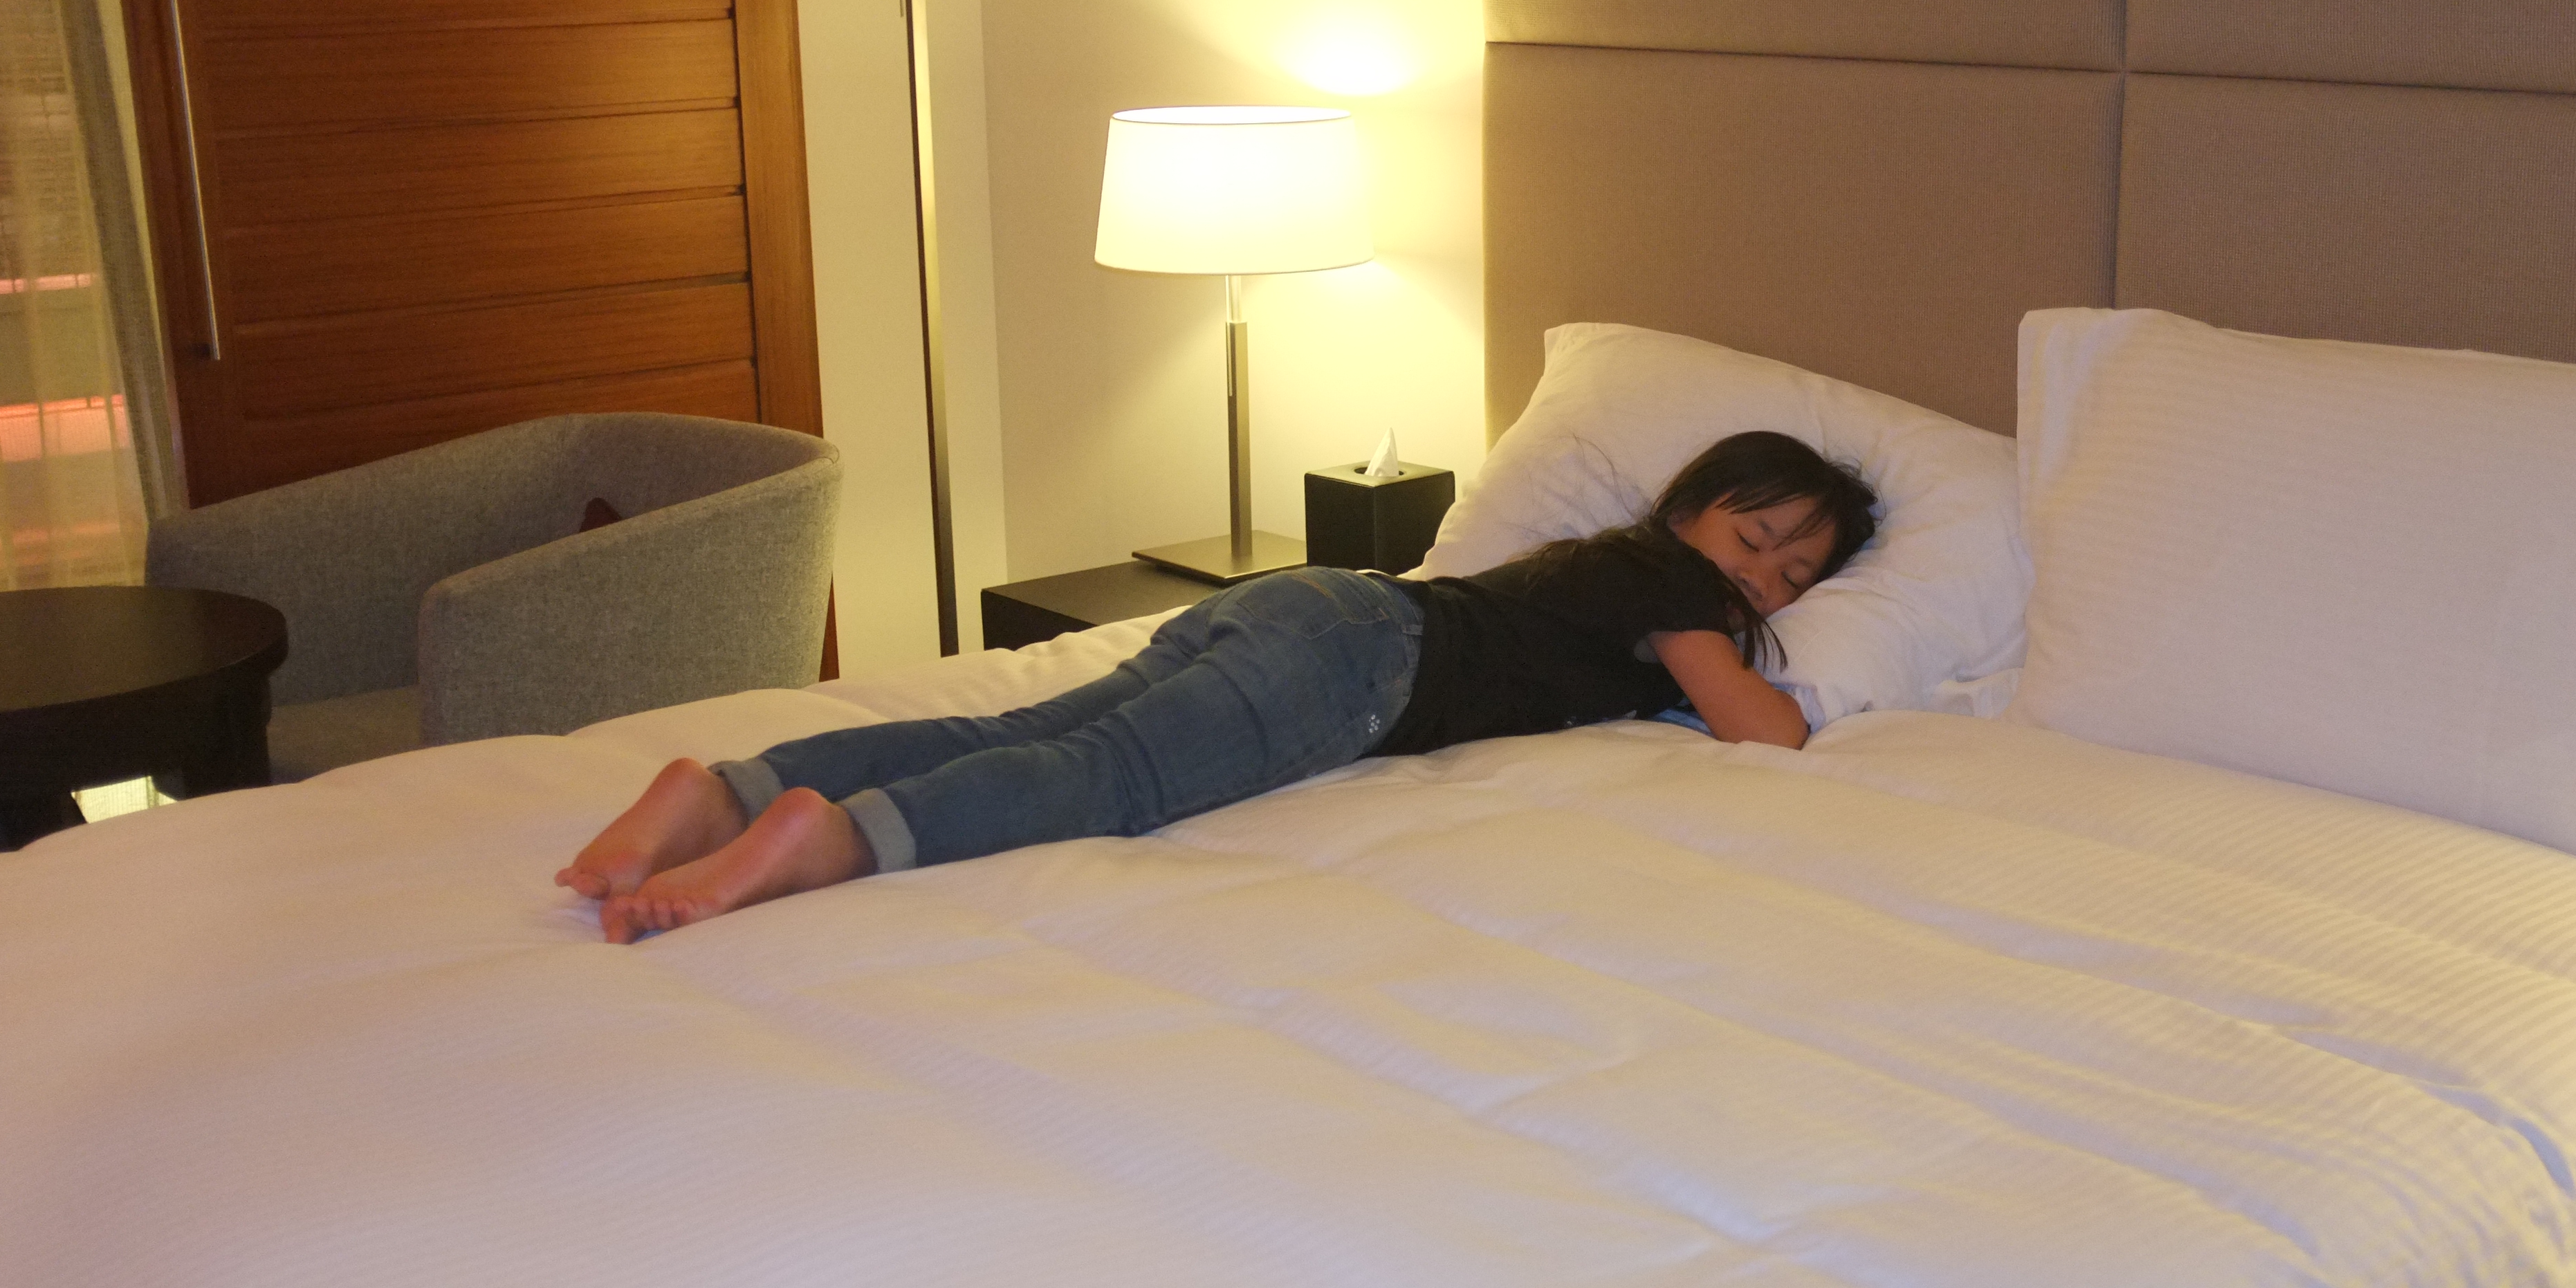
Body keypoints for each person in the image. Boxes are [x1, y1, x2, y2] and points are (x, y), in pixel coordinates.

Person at [560, 430, 1878, 941]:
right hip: (1364, 666)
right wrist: (1774, 668)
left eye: (1796, 575)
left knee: (1029, 724)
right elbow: (1759, 732)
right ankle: (833, 841)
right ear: (1690, 511)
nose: (1763, 577)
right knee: (1111, 780)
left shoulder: (1595, 568)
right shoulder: (1667, 585)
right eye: (1755, 538)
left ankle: (725, 793)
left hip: (1318, 604)